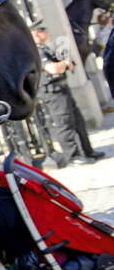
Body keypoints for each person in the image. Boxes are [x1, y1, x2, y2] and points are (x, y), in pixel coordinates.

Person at [33, 23, 103, 167]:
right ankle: (72, 156)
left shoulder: (44, 48)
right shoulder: (37, 51)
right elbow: (52, 69)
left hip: (62, 89)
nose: (47, 32)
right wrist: (65, 64)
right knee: (64, 124)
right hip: (54, 92)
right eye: (43, 30)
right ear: (36, 33)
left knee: (78, 122)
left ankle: (87, 151)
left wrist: (64, 63)